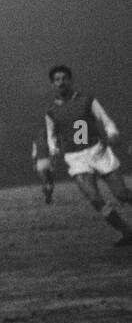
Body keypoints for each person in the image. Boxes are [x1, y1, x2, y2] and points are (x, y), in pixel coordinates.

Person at [44, 65, 132, 245]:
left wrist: (112, 133)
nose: (61, 82)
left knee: (121, 194)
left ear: (71, 80)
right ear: (53, 84)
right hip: (76, 158)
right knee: (95, 199)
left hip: (98, 151)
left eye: (64, 78)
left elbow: (105, 119)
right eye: (57, 80)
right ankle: (126, 232)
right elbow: (51, 136)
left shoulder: (87, 100)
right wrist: (53, 152)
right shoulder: (51, 112)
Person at [30, 129, 55, 205]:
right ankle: (49, 195)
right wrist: (53, 162)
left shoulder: (36, 142)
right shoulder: (50, 141)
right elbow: (53, 152)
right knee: (50, 181)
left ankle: (47, 196)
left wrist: (34, 164)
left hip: (40, 162)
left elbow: (34, 154)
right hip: (48, 161)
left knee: (44, 181)